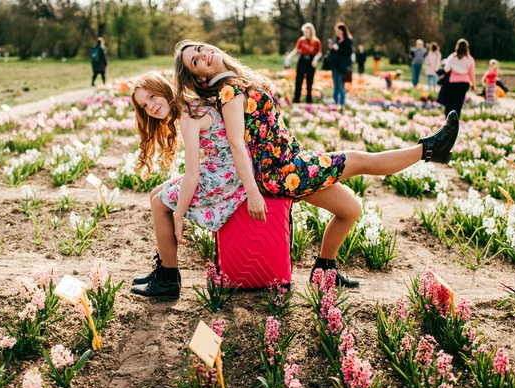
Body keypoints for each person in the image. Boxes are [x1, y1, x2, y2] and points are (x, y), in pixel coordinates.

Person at [174, 40, 460, 287]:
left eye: (200, 50)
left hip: (289, 161)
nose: (204, 56)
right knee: (360, 160)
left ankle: (326, 269)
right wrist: (252, 192)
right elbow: (237, 142)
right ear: (199, 78)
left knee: (349, 208)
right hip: (282, 172)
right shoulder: (228, 90)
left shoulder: (237, 82)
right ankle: (430, 149)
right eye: (196, 61)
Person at [129, 73, 246, 299]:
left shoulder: (188, 117)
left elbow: (192, 175)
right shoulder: (189, 106)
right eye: (144, 105)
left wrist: (178, 215)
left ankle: (168, 280)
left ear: (164, 89)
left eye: (153, 96)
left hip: (227, 174)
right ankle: (165, 267)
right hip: (222, 168)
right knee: (156, 194)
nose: (151, 106)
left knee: (161, 204)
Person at [284, 23, 322, 104]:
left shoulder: (316, 41)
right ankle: (296, 99)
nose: (305, 34)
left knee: (309, 81)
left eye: (307, 32)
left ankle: (309, 99)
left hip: (311, 61)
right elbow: (296, 50)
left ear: (311, 32)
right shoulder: (301, 40)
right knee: (299, 80)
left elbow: (319, 53)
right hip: (302, 60)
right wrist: (289, 57)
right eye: (304, 32)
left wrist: (315, 59)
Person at [441, 38, 475, 117]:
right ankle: (456, 119)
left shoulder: (453, 57)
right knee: (458, 103)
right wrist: (473, 85)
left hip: (453, 82)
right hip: (464, 83)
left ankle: (448, 119)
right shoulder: (469, 59)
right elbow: (472, 73)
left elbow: (446, 69)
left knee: (450, 102)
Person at [327, 22, 353, 107]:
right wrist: (332, 48)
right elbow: (333, 53)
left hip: (343, 66)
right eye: (336, 31)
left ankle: (342, 103)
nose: (337, 32)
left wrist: (339, 49)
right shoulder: (336, 40)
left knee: (341, 85)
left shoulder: (348, 41)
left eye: (339, 31)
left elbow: (349, 53)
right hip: (335, 65)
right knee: (335, 84)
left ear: (343, 31)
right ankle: (335, 102)